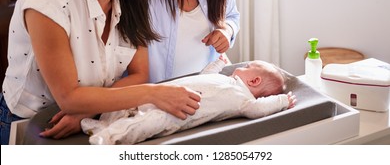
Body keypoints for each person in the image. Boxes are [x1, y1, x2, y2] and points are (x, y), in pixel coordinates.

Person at [0, 0, 201, 145]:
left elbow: (139, 74)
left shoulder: (130, 3)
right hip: (28, 124)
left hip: (89, 119)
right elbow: (69, 99)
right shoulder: (49, 1)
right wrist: (155, 94)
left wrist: (88, 111)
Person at [81, 60, 297, 145]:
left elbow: (256, 110)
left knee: (144, 124)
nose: (244, 64)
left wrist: (280, 101)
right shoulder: (225, 78)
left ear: (254, 80)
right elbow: (203, 75)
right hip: (162, 94)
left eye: (249, 65)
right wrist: (216, 65)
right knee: (126, 104)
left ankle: (108, 138)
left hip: (177, 114)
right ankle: (103, 124)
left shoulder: (243, 99)